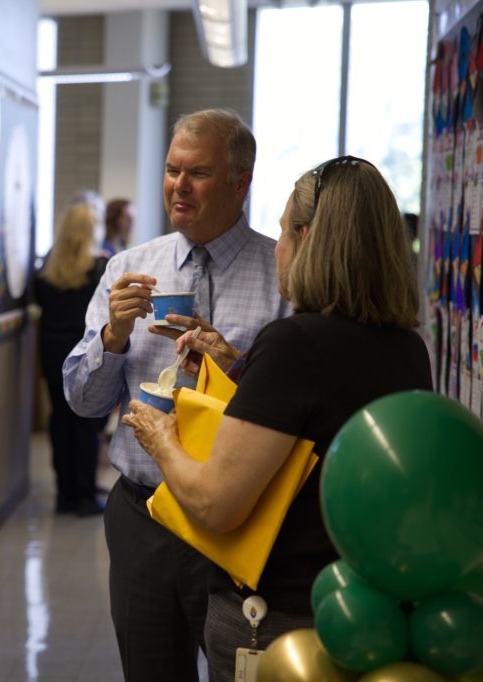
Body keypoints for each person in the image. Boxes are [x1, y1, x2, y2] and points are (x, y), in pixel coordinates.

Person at [123, 156, 433, 681]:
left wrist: (161, 439)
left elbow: (215, 503)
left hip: (281, 620)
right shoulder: (407, 348)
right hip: (367, 609)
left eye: (284, 231)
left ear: (307, 238)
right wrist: (239, 372)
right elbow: (315, 427)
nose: (277, 250)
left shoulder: (295, 343)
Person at [64, 108, 286, 681]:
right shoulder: (129, 268)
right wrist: (112, 336)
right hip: (144, 514)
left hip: (236, 520)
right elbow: (84, 404)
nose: (178, 186)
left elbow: (298, 411)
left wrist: (231, 370)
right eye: (171, 170)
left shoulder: (283, 276)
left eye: (198, 173)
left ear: (241, 182)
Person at [35, 200, 109, 516]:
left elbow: (38, 304)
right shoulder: (99, 269)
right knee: (86, 425)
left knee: (60, 422)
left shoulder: (45, 272)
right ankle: (85, 496)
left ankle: (65, 494)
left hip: (52, 355)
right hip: (84, 355)